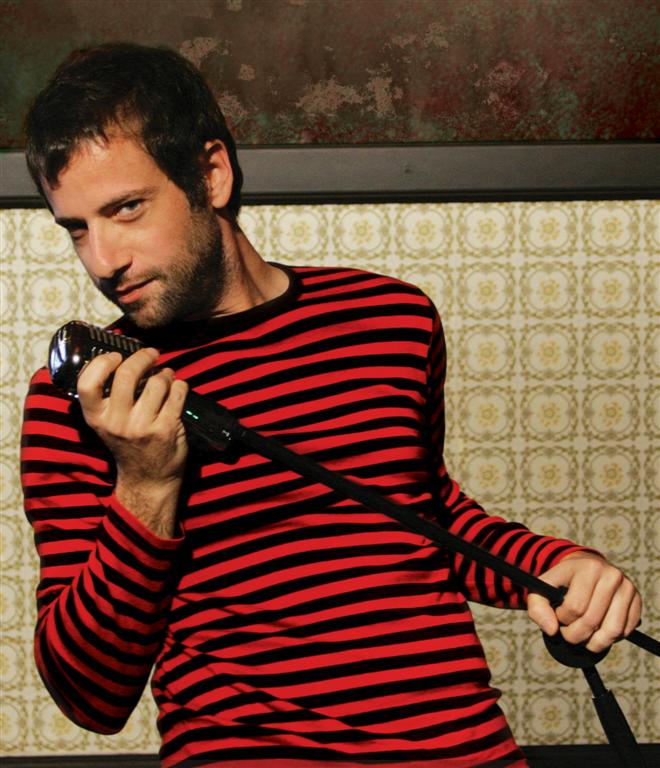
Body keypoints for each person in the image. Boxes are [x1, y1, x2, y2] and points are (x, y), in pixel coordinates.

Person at [21, 43, 641, 768]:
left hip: (462, 750)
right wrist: (145, 485)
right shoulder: (83, 399)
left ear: (211, 174)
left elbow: (420, 512)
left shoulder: (391, 318)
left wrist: (557, 563)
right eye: (77, 228)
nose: (103, 260)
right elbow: (89, 695)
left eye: (126, 210)